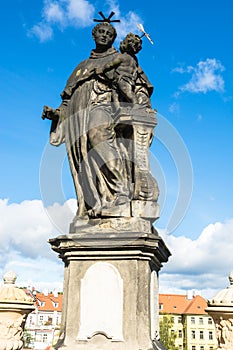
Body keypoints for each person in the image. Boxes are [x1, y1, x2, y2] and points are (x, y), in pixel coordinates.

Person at [42, 22, 130, 219]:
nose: (104, 36)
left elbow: (133, 85)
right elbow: (66, 102)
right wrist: (55, 114)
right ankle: (94, 203)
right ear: (94, 35)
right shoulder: (81, 67)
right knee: (84, 159)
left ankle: (121, 193)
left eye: (109, 34)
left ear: (113, 39)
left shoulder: (118, 59)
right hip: (77, 117)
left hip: (104, 107)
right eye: (101, 32)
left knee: (98, 138)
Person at [93, 32, 142, 107]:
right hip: (127, 79)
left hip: (122, 78)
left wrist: (101, 70)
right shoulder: (134, 59)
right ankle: (118, 110)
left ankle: (136, 105)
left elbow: (110, 65)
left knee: (127, 93)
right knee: (115, 94)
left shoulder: (122, 56)